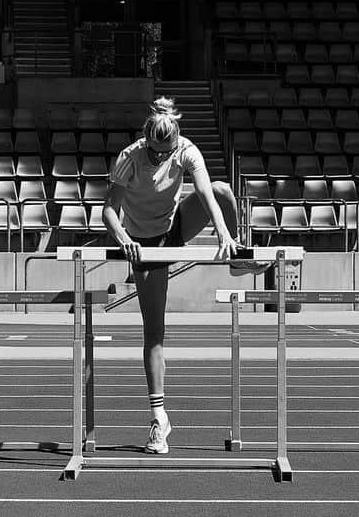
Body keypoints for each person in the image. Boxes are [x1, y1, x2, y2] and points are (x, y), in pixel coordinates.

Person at [102, 96, 269, 455]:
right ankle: (159, 418)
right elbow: (109, 213)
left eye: (168, 153)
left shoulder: (186, 150)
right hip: (143, 242)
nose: (163, 158)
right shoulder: (129, 159)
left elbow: (208, 194)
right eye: (158, 153)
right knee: (154, 333)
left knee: (225, 191)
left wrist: (224, 234)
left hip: (174, 227)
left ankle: (236, 259)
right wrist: (126, 240)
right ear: (147, 142)